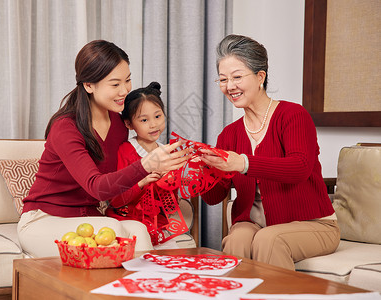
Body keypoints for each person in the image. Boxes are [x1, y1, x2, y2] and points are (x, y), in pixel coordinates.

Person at [17, 40, 190, 257]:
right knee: (115, 231)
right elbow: (96, 187)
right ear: (88, 85)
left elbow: (116, 180)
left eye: (127, 81)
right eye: (115, 84)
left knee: (139, 230)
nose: (125, 90)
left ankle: (147, 288)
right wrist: (147, 164)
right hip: (44, 220)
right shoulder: (65, 127)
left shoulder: (119, 125)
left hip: (89, 218)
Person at [199, 34, 340, 270]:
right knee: (237, 239)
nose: (229, 86)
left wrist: (242, 163)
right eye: (223, 79)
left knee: (270, 238)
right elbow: (213, 198)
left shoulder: (293, 115)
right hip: (254, 223)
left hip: (313, 224)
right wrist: (200, 171)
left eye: (236, 77)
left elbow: (300, 167)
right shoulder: (228, 135)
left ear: (260, 76)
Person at [106, 81, 180, 248]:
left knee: (173, 259)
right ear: (129, 124)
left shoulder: (168, 152)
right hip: (127, 222)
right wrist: (143, 182)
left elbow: (171, 202)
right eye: (144, 120)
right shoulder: (125, 151)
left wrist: (172, 179)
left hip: (158, 226)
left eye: (158, 116)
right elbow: (116, 200)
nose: (153, 124)